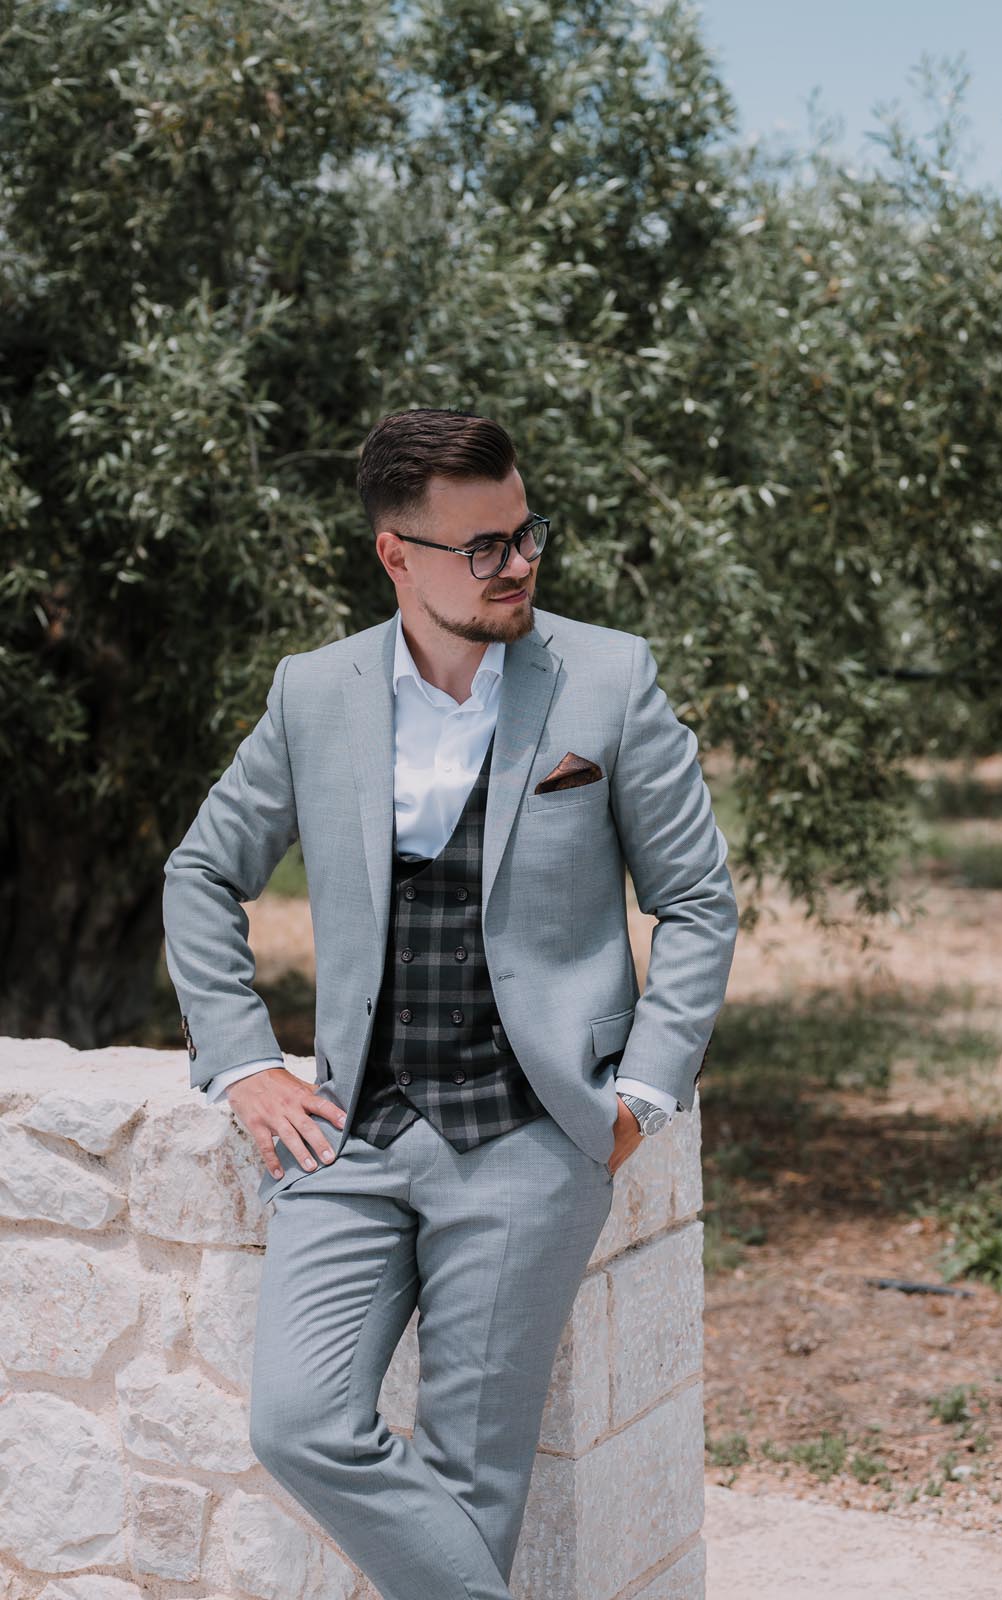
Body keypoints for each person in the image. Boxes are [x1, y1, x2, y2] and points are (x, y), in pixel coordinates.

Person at [161, 407, 738, 1600]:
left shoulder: (608, 678)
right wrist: (244, 1060)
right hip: (351, 1134)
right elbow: (202, 873)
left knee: (475, 1483)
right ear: (396, 555)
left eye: (526, 533)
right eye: (483, 547)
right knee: (298, 1421)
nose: (518, 562)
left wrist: (641, 1094)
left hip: (535, 1134)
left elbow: (696, 899)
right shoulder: (314, 693)